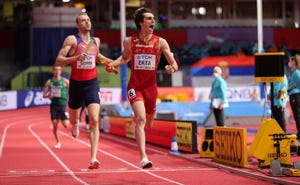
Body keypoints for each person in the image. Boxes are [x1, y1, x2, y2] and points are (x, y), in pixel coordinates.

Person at [108, 7, 179, 169]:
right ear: (141, 23)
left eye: (153, 18)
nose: (153, 21)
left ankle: (135, 117)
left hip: (151, 88)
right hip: (135, 86)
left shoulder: (160, 42)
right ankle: (143, 157)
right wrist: (113, 63)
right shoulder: (129, 41)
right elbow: (124, 58)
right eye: (149, 18)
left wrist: (172, 68)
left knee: (149, 124)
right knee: (141, 119)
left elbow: (173, 62)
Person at [55, 12, 113, 169]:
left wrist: (112, 63)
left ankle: (93, 158)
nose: (87, 22)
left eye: (88, 20)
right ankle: (74, 124)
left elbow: (97, 56)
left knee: (94, 119)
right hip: (76, 85)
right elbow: (59, 61)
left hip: (92, 83)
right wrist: (75, 58)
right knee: (74, 118)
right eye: (83, 20)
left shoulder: (96, 41)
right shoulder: (72, 40)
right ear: (77, 25)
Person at [43, 66, 70, 149]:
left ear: (61, 71)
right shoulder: (49, 82)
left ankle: (67, 115)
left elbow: (73, 91)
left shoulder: (65, 81)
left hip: (62, 105)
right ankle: (58, 142)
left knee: (66, 125)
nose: (57, 71)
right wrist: (48, 95)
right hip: (54, 105)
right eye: (55, 70)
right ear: (52, 71)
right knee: (55, 125)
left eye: (58, 70)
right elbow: (44, 95)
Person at [287, 55, 300, 139]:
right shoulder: (293, 72)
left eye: (290, 61)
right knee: (296, 116)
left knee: (298, 115)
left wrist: (295, 88)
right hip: (293, 95)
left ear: (294, 62)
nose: (289, 63)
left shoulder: (296, 73)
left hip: (296, 95)